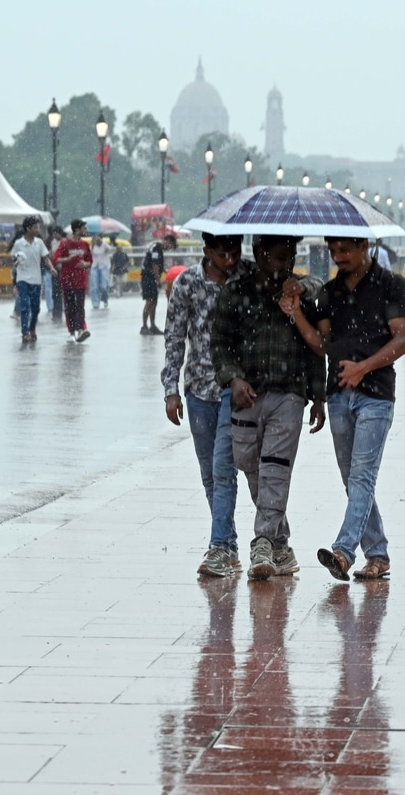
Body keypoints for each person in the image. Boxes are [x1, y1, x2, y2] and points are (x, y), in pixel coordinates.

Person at [284, 237, 405, 583]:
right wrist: (296, 312)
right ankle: (378, 553)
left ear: (364, 246)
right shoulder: (328, 293)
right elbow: (323, 344)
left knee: (362, 476)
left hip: (376, 395)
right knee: (352, 478)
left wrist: (364, 367)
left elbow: (401, 340)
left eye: (345, 250)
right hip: (339, 394)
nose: (339, 258)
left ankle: (343, 551)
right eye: (334, 251)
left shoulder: (392, 286)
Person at [210, 234, 326, 581]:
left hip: (289, 395)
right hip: (248, 395)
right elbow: (219, 343)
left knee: (275, 467)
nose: (284, 265)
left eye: (289, 257)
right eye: (278, 257)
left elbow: (313, 348)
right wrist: (233, 379)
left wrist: (318, 395)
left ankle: (261, 541)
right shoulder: (236, 292)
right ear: (259, 254)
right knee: (250, 466)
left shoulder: (302, 292)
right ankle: (280, 543)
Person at [164, 233, 249, 577]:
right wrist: (170, 388)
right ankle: (227, 543)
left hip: (236, 389)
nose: (229, 258)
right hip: (198, 390)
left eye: (235, 250)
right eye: (221, 252)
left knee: (224, 469)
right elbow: (174, 336)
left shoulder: (248, 279)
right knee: (209, 474)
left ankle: (218, 548)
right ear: (207, 252)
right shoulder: (187, 283)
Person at [11, 215, 52, 343]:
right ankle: (25, 332)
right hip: (22, 279)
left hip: (36, 280)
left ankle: (32, 328)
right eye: (35, 227)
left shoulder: (39, 242)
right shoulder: (19, 243)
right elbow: (13, 258)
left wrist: (51, 268)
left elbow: (45, 257)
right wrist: (17, 259)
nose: (37, 229)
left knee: (36, 308)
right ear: (28, 228)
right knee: (25, 306)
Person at [52, 219, 93, 342]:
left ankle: (81, 329)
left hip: (81, 281)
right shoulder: (65, 244)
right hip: (67, 281)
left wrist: (84, 264)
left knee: (80, 306)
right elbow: (55, 259)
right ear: (76, 230)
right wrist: (67, 259)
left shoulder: (85, 245)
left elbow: (90, 261)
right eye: (84, 228)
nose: (86, 231)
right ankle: (72, 332)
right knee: (70, 307)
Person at [140, 233, 175, 335]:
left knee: (154, 302)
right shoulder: (156, 248)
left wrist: (167, 271)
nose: (169, 248)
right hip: (148, 278)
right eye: (170, 246)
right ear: (167, 241)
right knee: (149, 301)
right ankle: (144, 326)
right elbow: (155, 266)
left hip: (151, 278)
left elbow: (159, 266)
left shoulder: (159, 249)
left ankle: (152, 325)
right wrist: (157, 280)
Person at [44, 226, 64, 320]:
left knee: (61, 291)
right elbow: (50, 254)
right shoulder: (52, 242)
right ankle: (56, 313)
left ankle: (60, 311)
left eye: (56, 234)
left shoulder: (65, 243)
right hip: (55, 269)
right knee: (55, 292)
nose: (55, 236)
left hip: (64, 270)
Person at [90, 234, 115, 309]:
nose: (97, 240)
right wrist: (93, 245)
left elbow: (110, 249)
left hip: (104, 266)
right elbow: (88, 254)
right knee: (94, 286)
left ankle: (105, 299)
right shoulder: (92, 246)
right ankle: (95, 302)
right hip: (94, 266)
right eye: (96, 239)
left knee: (104, 286)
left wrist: (102, 242)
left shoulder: (104, 245)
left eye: (98, 238)